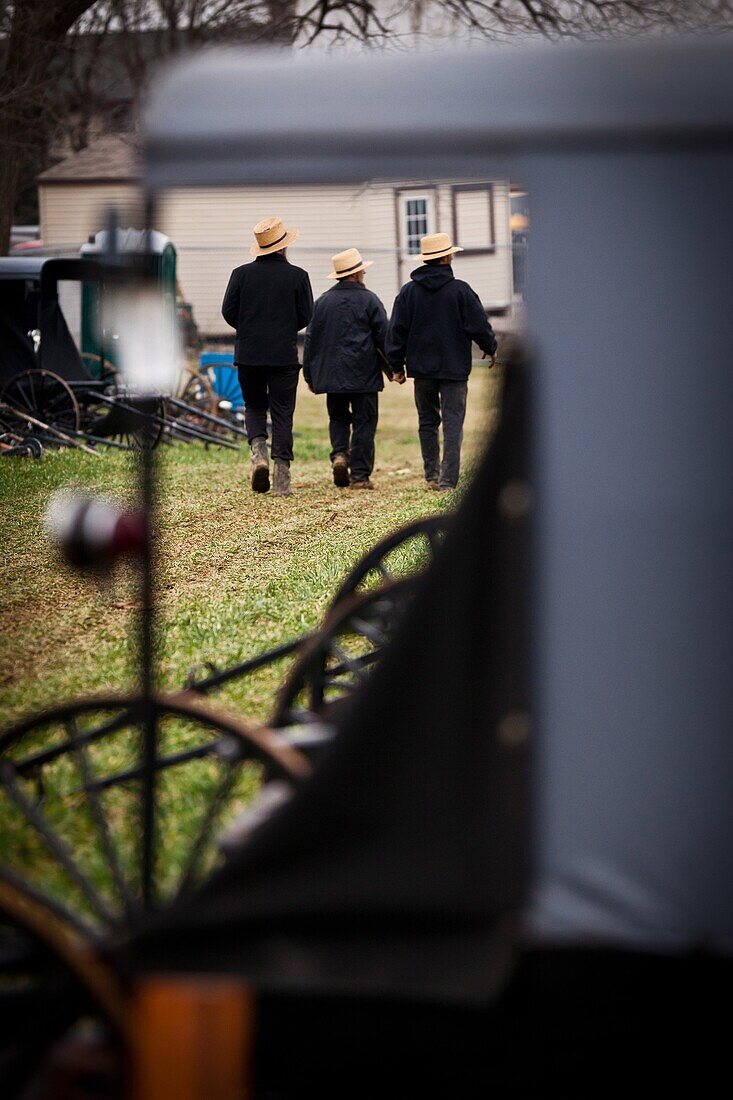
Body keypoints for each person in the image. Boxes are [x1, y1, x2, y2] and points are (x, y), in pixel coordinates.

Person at [386, 232, 497, 492]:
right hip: (454, 369)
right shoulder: (461, 291)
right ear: (447, 257)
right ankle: (448, 481)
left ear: (425, 260)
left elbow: (396, 331)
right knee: (453, 422)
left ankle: (431, 476)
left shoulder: (408, 292)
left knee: (427, 421)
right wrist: (490, 347)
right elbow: (478, 325)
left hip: (422, 370)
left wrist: (396, 366)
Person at [222, 217, 313, 496]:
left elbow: (229, 311)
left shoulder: (240, 274)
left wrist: (249, 329)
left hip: (248, 353)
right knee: (283, 412)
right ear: (284, 247)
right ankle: (282, 479)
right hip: (283, 354)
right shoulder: (298, 276)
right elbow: (306, 315)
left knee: (254, 406)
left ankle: (258, 454)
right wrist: (283, 328)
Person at [303, 248, 402, 490]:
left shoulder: (322, 303)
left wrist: (309, 374)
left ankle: (339, 455)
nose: (364, 272)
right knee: (364, 422)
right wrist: (396, 367)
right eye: (362, 269)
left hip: (331, 375)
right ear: (356, 274)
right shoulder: (370, 300)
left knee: (337, 417)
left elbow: (310, 341)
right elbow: (384, 337)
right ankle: (359, 476)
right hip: (363, 373)